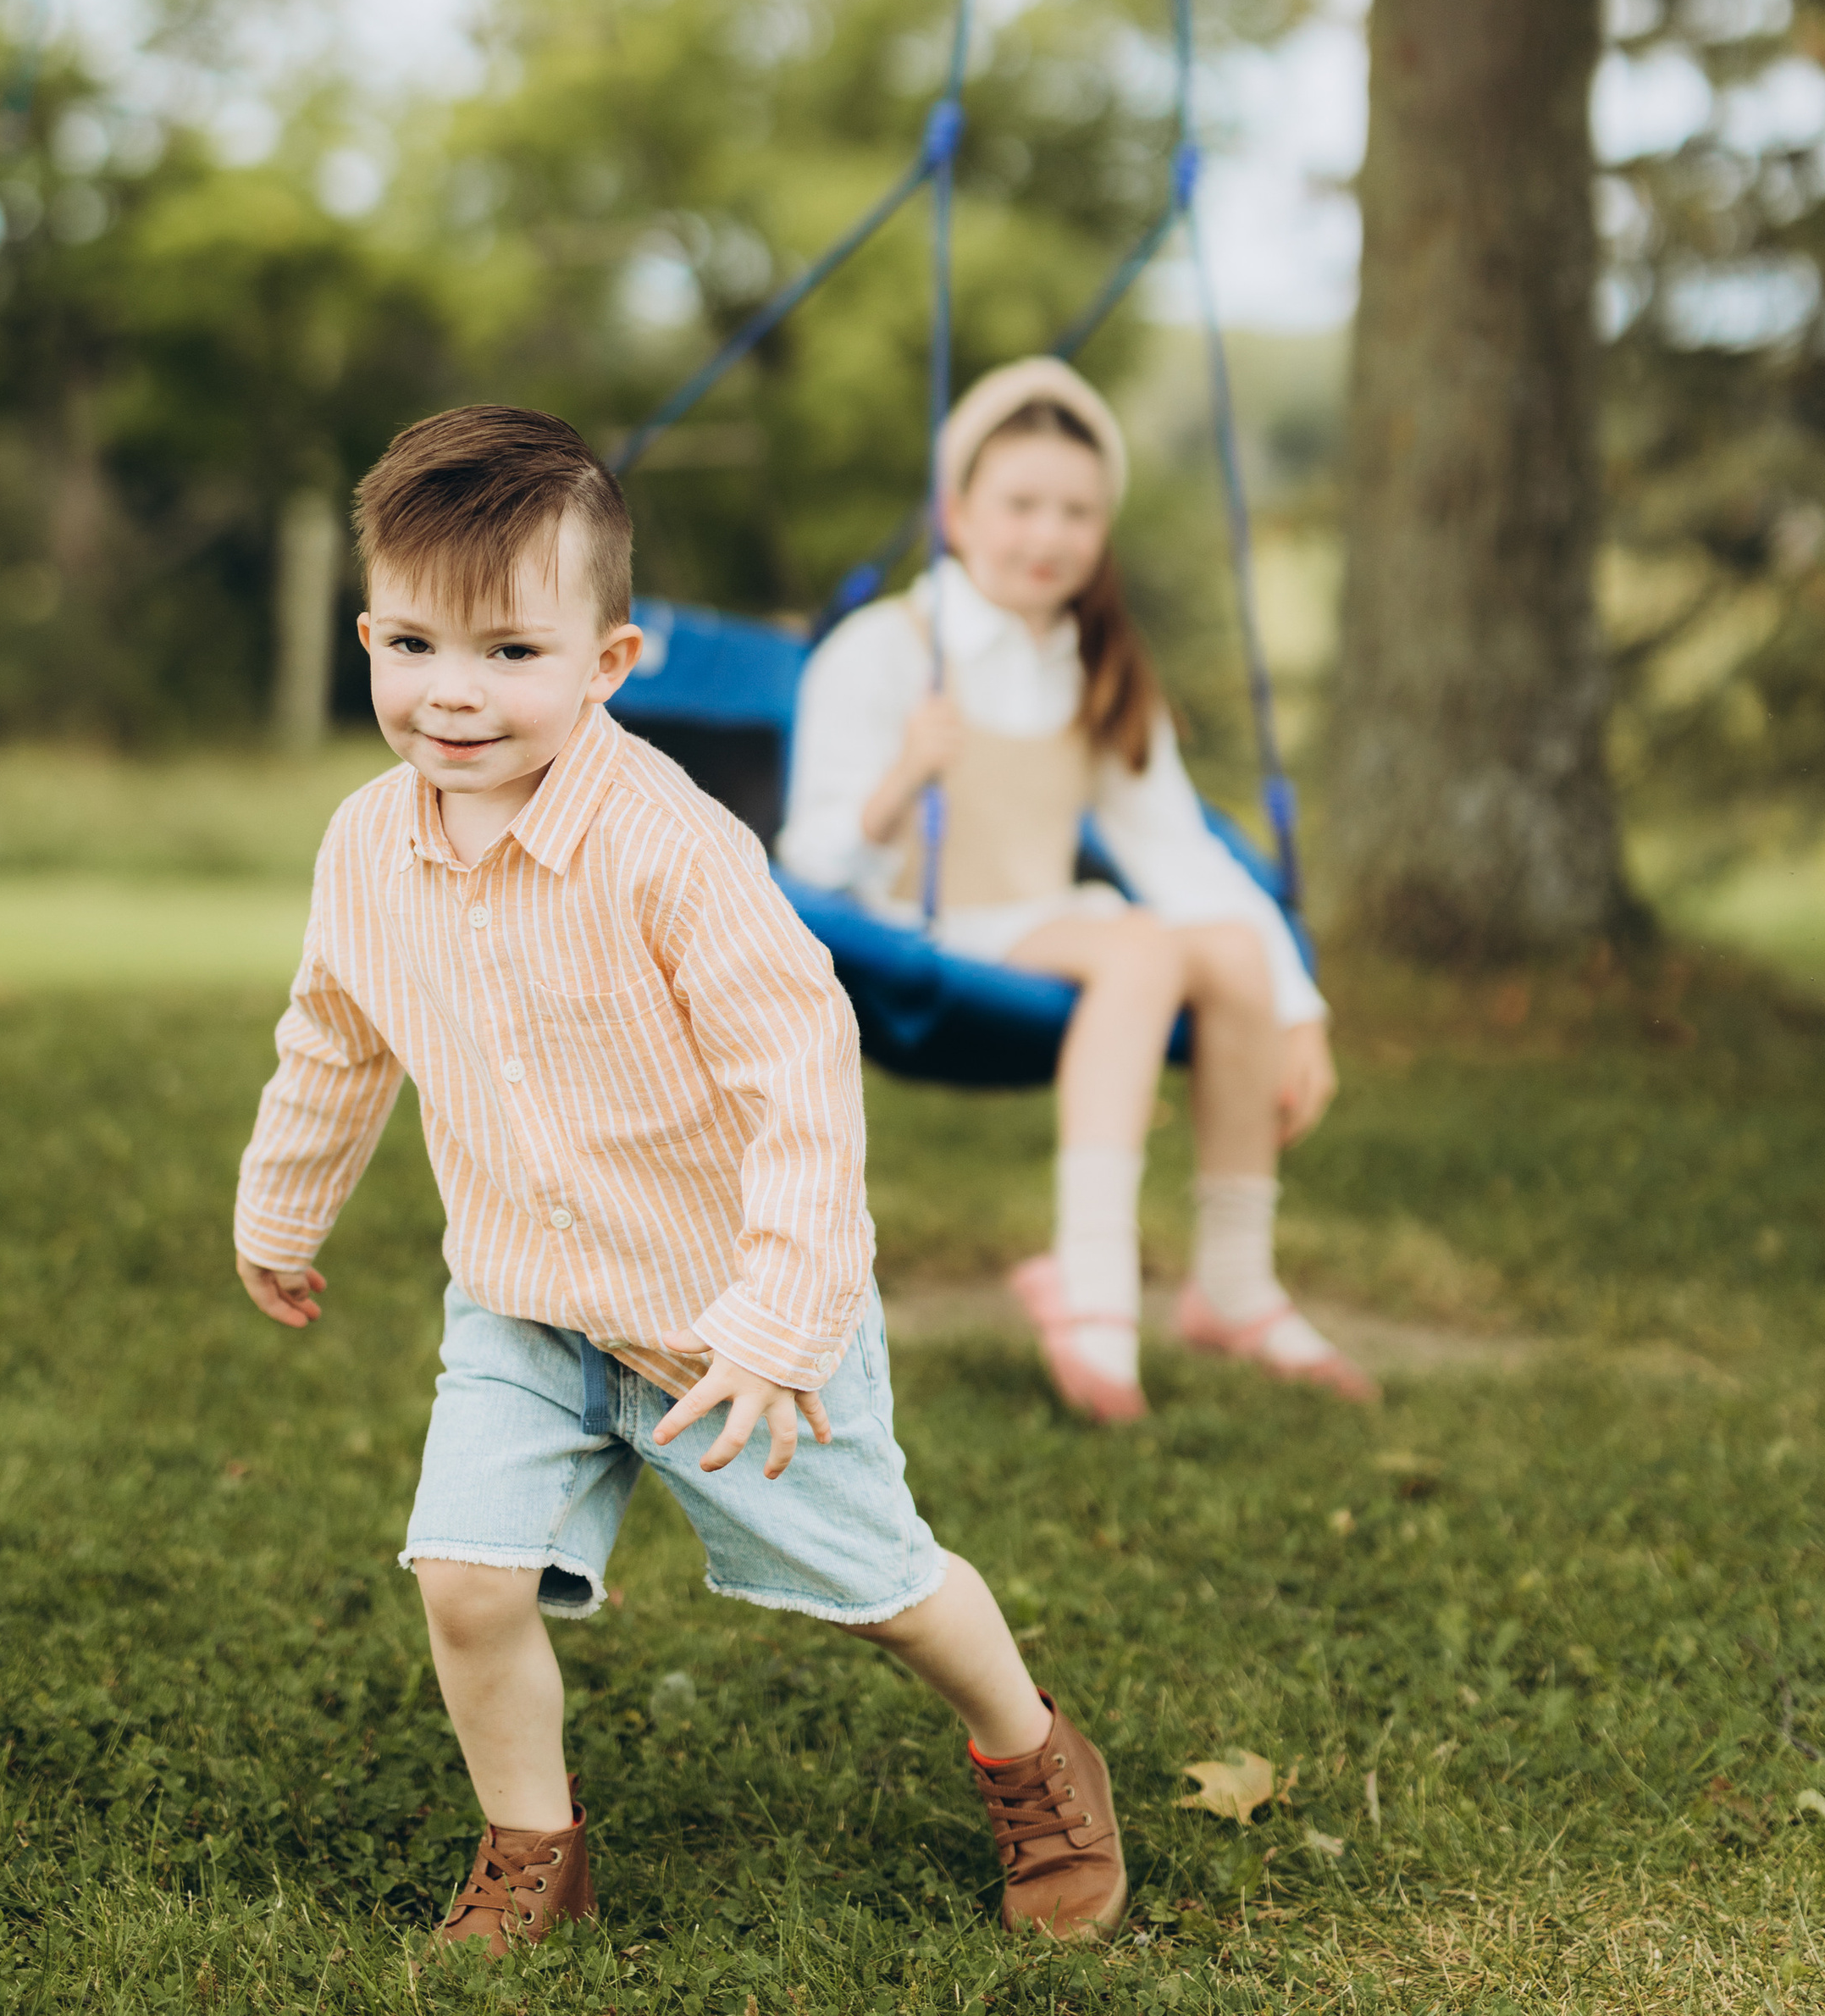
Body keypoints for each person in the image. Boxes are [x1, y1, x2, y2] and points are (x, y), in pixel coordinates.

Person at [233, 403, 1133, 1954]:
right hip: (524, 1304)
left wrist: (783, 1320)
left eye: (512, 653)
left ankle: (1030, 1750)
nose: (455, 695)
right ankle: (534, 1847)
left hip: (733, 1315)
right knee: (463, 1578)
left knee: (885, 1586)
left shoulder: (674, 848)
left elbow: (800, 1072)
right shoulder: (365, 848)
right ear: (369, 636)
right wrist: (279, 1204)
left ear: (608, 663)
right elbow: (335, 1032)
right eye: (417, 648)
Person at [778, 356, 1371, 1426]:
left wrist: (1297, 1004)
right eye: (1020, 505)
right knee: (1142, 946)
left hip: (1045, 931)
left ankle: (1231, 1284)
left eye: (1077, 512)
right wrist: (902, 780)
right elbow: (808, 875)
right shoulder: (882, 651)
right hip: (914, 944)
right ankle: (1088, 1277)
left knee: (1226, 949)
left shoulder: (1091, 663)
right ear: (957, 513)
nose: (1047, 536)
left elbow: (1180, 851)